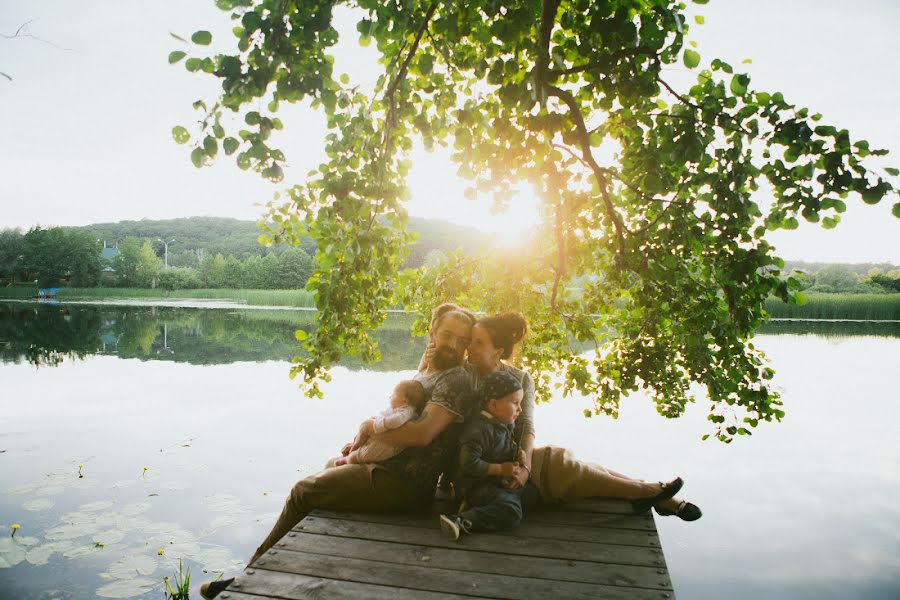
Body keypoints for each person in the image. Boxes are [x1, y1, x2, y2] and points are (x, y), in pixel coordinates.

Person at [199, 303, 476, 599]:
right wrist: (366, 441)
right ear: (432, 331)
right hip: (386, 467)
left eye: (462, 340)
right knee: (332, 464)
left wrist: (369, 428)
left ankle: (246, 577)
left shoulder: (455, 379)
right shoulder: (430, 371)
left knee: (303, 491)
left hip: (402, 483)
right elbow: (402, 413)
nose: (454, 345)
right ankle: (289, 561)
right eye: (448, 335)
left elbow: (422, 435)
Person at [463, 311, 701, 521]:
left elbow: (526, 425)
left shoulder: (521, 379)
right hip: (492, 460)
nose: (469, 348)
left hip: (516, 455)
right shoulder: (465, 375)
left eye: (478, 342)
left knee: (560, 460)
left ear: (498, 351)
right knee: (561, 465)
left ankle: (650, 493)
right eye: (470, 341)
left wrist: (525, 466)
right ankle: (651, 493)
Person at [439, 370, 540, 540]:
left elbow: (505, 445)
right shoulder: (478, 430)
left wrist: (519, 454)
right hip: (474, 485)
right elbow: (468, 463)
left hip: (494, 481)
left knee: (532, 495)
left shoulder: (503, 422)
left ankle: (496, 505)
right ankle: (461, 519)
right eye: (515, 403)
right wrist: (501, 469)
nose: (521, 409)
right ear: (493, 405)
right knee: (511, 512)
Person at [335, 379, 426, 465]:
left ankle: (347, 459)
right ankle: (355, 446)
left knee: (354, 457)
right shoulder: (401, 409)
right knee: (365, 430)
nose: (390, 396)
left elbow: (395, 421)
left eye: (393, 395)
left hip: (385, 446)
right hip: (383, 440)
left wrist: (378, 423)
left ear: (405, 400)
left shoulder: (406, 412)